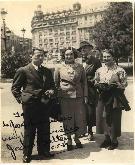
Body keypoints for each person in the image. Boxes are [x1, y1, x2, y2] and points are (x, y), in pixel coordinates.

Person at [11, 48, 55, 163]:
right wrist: (23, 99)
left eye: (42, 56)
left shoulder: (47, 71)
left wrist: (51, 91)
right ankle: (27, 154)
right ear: (31, 56)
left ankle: (44, 151)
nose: (40, 58)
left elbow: (52, 86)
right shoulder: (24, 70)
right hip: (30, 106)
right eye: (37, 56)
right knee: (29, 130)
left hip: (44, 105)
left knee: (44, 128)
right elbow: (15, 88)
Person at [95, 51, 131, 150]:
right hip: (103, 96)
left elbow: (124, 84)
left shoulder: (120, 70)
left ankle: (114, 140)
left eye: (108, 56)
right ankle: (107, 139)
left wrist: (117, 85)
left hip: (114, 97)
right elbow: (96, 81)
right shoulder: (100, 70)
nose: (106, 58)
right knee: (103, 117)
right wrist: (98, 85)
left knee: (114, 119)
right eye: (104, 56)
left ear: (113, 57)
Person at [55, 47, 88, 151]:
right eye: (67, 55)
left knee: (78, 118)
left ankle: (77, 138)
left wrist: (85, 95)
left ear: (74, 56)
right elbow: (56, 83)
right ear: (64, 56)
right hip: (65, 97)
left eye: (71, 54)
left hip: (78, 95)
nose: (69, 56)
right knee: (67, 118)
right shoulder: (59, 67)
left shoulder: (80, 67)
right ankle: (69, 139)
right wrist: (58, 95)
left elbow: (84, 82)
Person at [78, 41, 102, 141]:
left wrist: (90, 81)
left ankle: (90, 131)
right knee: (80, 111)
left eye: (85, 48)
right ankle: (81, 131)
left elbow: (100, 75)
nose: (83, 50)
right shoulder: (77, 61)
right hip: (78, 90)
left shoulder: (96, 61)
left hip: (91, 89)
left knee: (90, 111)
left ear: (90, 49)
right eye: (81, 49)